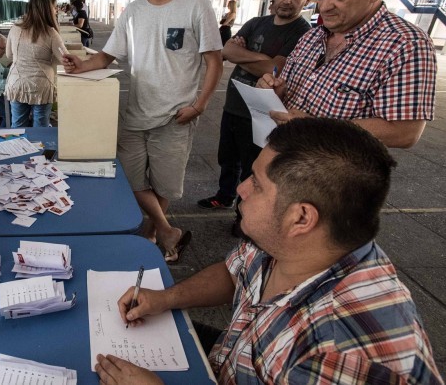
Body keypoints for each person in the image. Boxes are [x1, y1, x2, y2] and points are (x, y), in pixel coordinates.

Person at [96, 118, 444, 384]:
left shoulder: (340, 356)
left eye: (258, 184)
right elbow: (234, 273)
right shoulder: (297, 243)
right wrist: (164, 299)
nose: (242, 189)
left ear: (301, 217)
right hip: (233, 359)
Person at [62, 0, 223, 263]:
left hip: (176, 116)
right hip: (136, 113)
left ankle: (151, 233)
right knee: (130, 179)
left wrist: (200, 105)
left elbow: (214, 61)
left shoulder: (196, 5)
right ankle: (166, 230)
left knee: (164, 186)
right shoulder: (133, 11)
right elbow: (106, 57)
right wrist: (81, 65)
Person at [258, 0, 437, 149]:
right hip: (281, 156)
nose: (324, 7)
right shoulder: (312, 36)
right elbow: (287, 89)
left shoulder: (406, 44)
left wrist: (317, 127)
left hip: (329, 176)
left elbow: (404, 132)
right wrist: (276, 92)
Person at [197, 0, 314, 234]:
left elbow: (276, 71)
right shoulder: (256, 23)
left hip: (264, 112)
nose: (287, 0)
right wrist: (265, 61)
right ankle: (224, 196)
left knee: (255, 167)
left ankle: (243, 214)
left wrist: (251, 57)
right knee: (227, 157)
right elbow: (227, 51)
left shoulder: (302, 33)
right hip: (234, 105)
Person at [5, 0, 67, 128]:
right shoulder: (50, 33)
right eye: (54, 7)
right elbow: (65, 59)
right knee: (41, 128)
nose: (56, 10)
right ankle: (40, 150)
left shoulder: (15, 28)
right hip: (42, 86)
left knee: (18, 127)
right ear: (47, 8)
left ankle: (18, 149)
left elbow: (9, 55)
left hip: (16, 85)